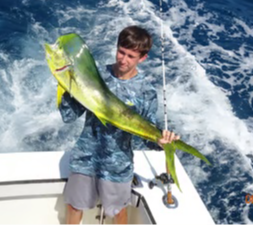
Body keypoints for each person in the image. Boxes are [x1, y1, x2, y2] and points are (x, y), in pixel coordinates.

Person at [59, 26, 180, 225]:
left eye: (131, 56)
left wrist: (161, 141)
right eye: (121, 52)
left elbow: (148, 133)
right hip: (85, 158)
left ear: (142, 58)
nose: (123, 59)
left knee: (118, 213)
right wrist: (68, 87)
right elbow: (69, 116)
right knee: (73, 206)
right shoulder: (97, 76)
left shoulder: (145, 91)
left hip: (117, 166)